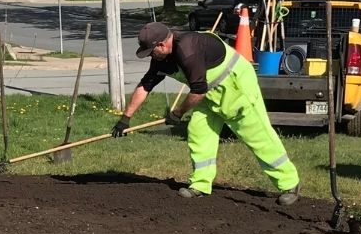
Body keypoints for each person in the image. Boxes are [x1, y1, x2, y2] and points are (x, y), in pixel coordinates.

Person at [113, 22, 301, 204]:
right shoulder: (161, 58)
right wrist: (125, 119)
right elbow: (145, 85)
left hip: (235, 87)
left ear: (161, 44)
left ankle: (289, 184)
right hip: (209, 93)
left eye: (151, 51)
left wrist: (178, 113)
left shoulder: (188, 49)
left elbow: (198, 90)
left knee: (257, 136)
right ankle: (200, 185)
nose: (150, 56)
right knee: (198, 131)